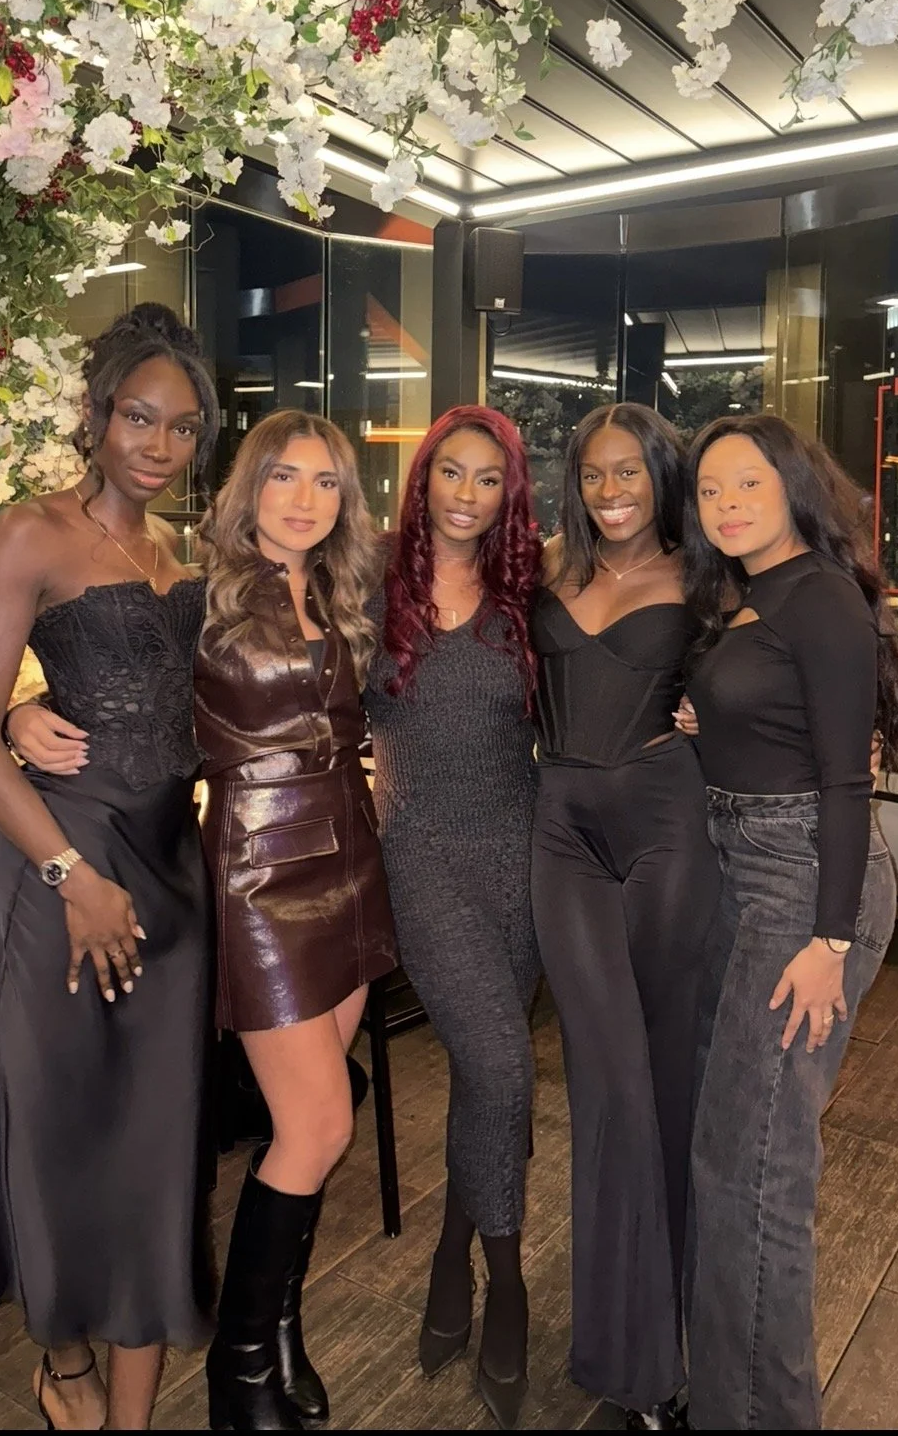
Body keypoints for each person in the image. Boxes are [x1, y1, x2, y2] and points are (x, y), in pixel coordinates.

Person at [11, 407, 397, 1432]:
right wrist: (16, 707)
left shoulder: (345, 591)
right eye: (284, 478)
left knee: (299, 1132)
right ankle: (239, 1371)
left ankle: (276, 1334)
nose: (304, 499)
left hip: (352, 865)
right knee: (319, 1123)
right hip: (261, 878)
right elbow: (111, 679)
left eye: (324, 482)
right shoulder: (202, 592)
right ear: (248, 487)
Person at [0, 304, 220, 1433]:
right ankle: (62, 1361)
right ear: (98, 418)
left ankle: (132, 1420)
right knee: (62, 1135)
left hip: (172, 875)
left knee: (160, 1152)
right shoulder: (29, 533)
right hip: (60, 870)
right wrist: (66, 866)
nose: (157, 445)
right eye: (139, 419)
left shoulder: (183, 555)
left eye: (184, 429)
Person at [681, 413, 898, 1431]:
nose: (727, 504)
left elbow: (841, 782)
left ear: (791, 488)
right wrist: (710, 720)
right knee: (731, 1156)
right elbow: (776, 726)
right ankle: (728, 1398)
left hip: (802, 881)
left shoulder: (818, 595)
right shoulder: (747, 596)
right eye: (710, 490)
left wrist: (827, 945)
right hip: (749, 870)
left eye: (747, 484)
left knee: (758, 1171)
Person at [530, 402, 718, 1430]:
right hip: (559, 829)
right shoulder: (548, 567)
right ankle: (628, 1353)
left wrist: (720, 713)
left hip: (664, 822)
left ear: (662, 478)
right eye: (594, 476)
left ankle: (676, 1346)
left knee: (667, 1078)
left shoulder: (703, 572)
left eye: (629, 476)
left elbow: (787, 657)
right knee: (606, 1083)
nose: (609, 494)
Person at [364, 405, 541, 1431]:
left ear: (507, 492)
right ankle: (504, 1282)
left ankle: (447, 1253)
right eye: (452, 474)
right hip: (420, 858)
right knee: (507, 1070)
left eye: (488, 479)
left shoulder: (528, 594)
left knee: (489, 1075)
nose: (467, 494)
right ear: (424, 478)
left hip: (519, 861)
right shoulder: (370, 586)